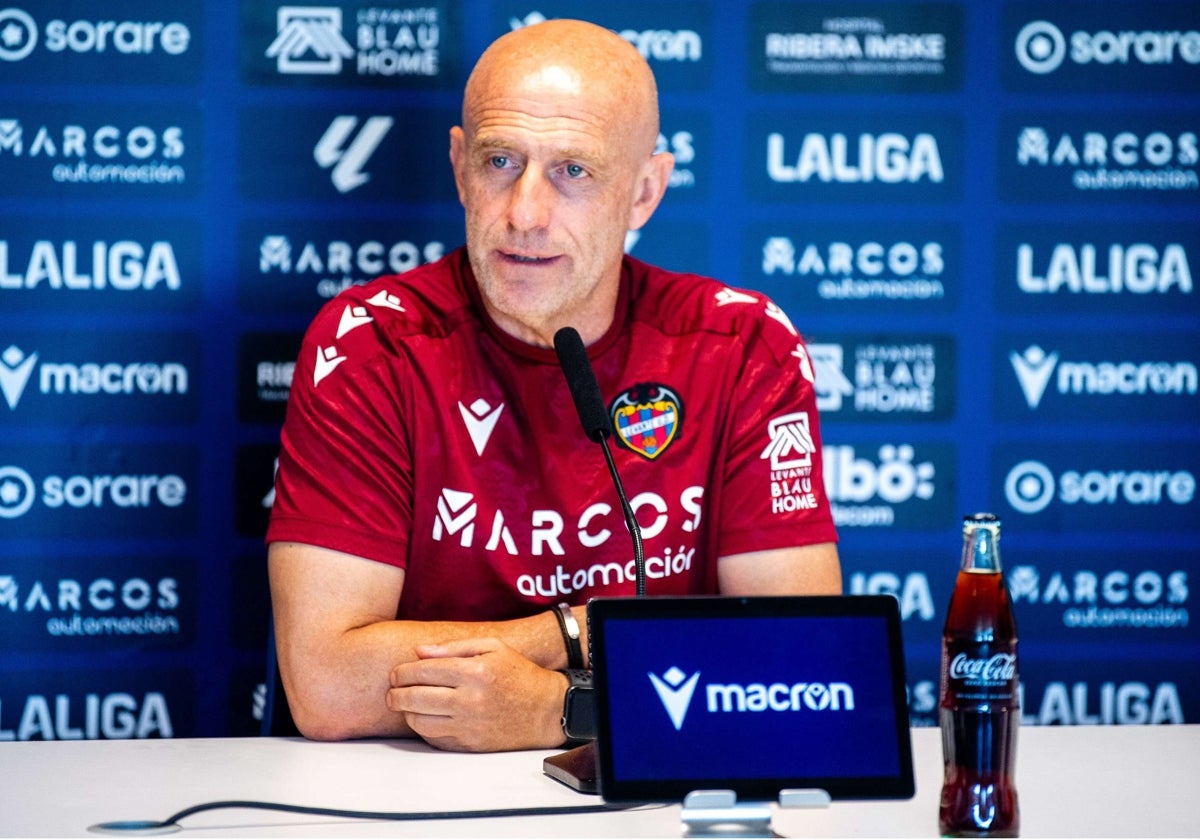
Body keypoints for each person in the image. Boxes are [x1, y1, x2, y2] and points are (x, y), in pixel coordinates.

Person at [266, 18, 841, 752]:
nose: (525, 215)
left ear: (643, 193)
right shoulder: (371, 345)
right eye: (500, 160)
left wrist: (557, 709)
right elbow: (327, 684)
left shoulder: (742, 346)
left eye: (574, 170)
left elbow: (804, 661)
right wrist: (580, 630)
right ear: (458, 168)